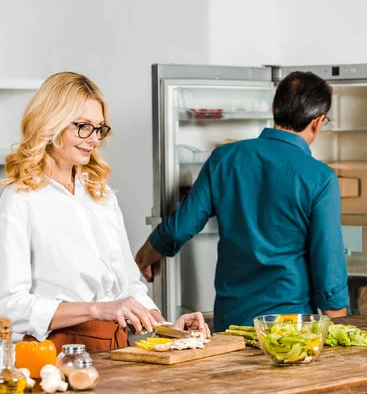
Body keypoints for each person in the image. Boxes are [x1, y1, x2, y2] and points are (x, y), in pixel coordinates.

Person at [0, 72, 209, 352]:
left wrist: (168, 328)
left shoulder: (101, 195)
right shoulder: (19, 201)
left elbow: (128, 286)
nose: (93, 139)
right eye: (83, 126)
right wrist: (97, 309)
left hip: (116, 348)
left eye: (99, 128)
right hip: (56, 353)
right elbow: (11, 307)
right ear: (51, 125)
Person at [135, 71, 349, 332]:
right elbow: (328, 261)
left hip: (232, 321)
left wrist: (143, 258)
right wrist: (338, 326)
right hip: (291, 328)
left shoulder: (224, 158)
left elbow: (180, 227)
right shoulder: (320, 177)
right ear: (318, 121)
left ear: (274, 107)